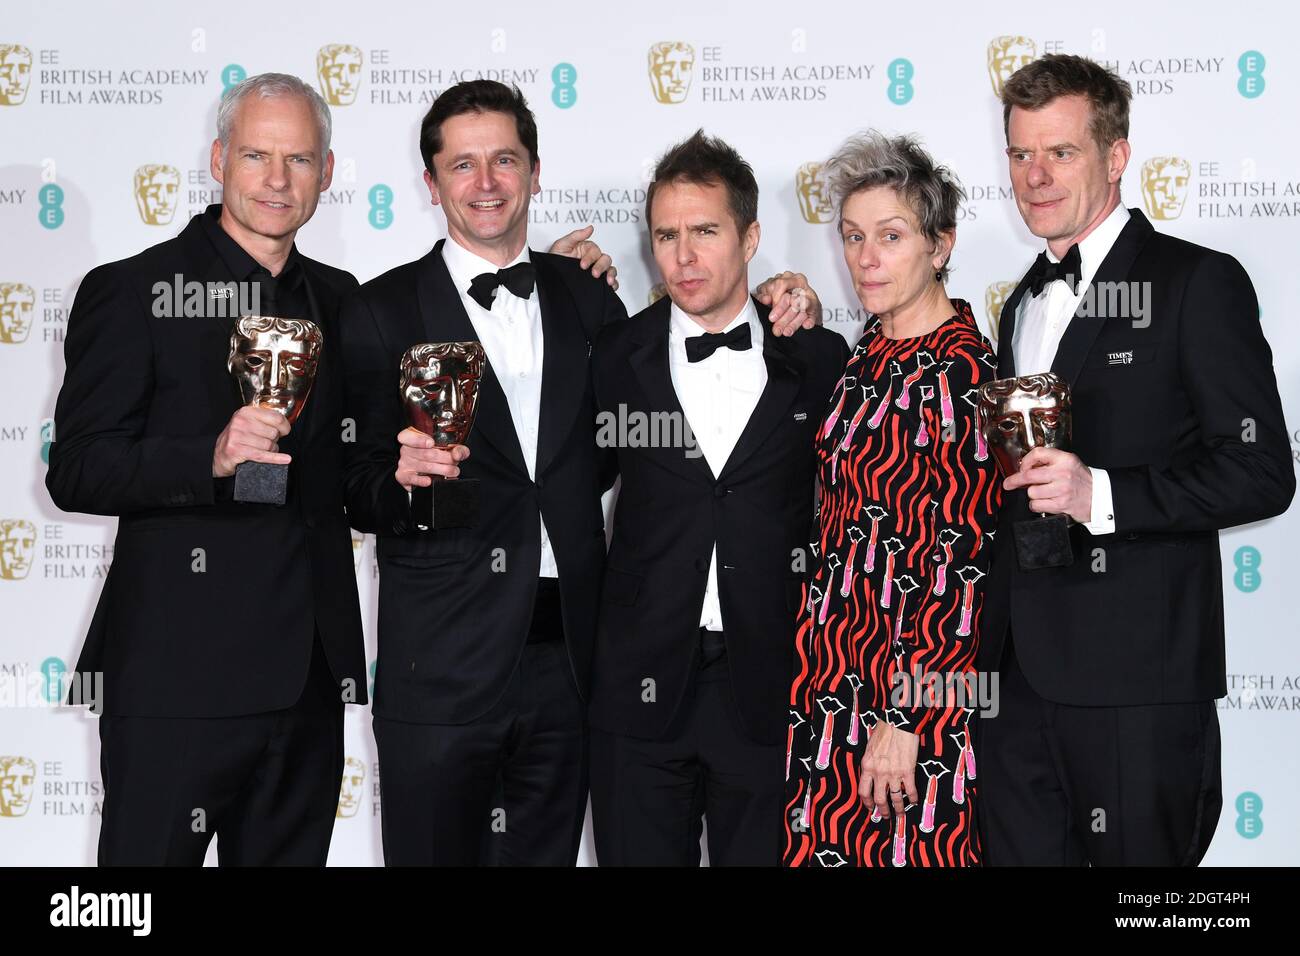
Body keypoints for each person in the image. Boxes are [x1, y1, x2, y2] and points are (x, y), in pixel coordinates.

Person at [979, 54, 1294, 865]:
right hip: (1018, 686)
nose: (1036, 177)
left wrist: (1105, 496)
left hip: (1139, 691)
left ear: (1117, 156)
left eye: (1062, 152)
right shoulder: (1021, 300)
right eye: (1020, 154)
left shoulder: (1198, 281)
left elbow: (1262, 470)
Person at [46, 73, 367, 865]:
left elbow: (355, 469)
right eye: (257, 155)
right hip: (175, 685)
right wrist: (210, 456)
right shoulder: (134, 290)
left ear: (326, 173)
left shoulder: (345, 300)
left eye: (299, 159)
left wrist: (568, 273)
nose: (277, 179)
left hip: (308, 687)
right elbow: (79, 468)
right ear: (220, 158)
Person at [588, 131, 850, 866]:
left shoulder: (819, 356)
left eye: (705, 231)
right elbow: (570, 483)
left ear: (752, 236)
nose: (683, 256)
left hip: (775, 687)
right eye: (666, 235)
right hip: (638, 694)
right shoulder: (615, 355)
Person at [782, 131, 1000, 867]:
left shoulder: (964, 374)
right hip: (830, 683)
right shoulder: (866, 355)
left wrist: (908, 720)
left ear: (940, 245)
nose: (866, 257)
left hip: (911, 711)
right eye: (852, 237)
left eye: (891, 236)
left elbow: (965, 560)